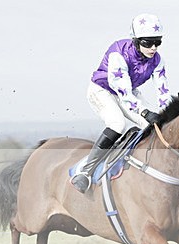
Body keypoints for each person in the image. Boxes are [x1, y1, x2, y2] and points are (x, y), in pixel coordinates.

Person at [71, 13, 170, 193]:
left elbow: (163, 93)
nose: (153, 47)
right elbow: (123, 93)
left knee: (156, 127)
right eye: (148, 43)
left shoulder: (158, 60)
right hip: (102, 91)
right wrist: (145, 112)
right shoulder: (119, 53)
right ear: (135, 40)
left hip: (129, 93)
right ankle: (86, 171)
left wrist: (168, 114)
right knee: (118, 124)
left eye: (158, 42)